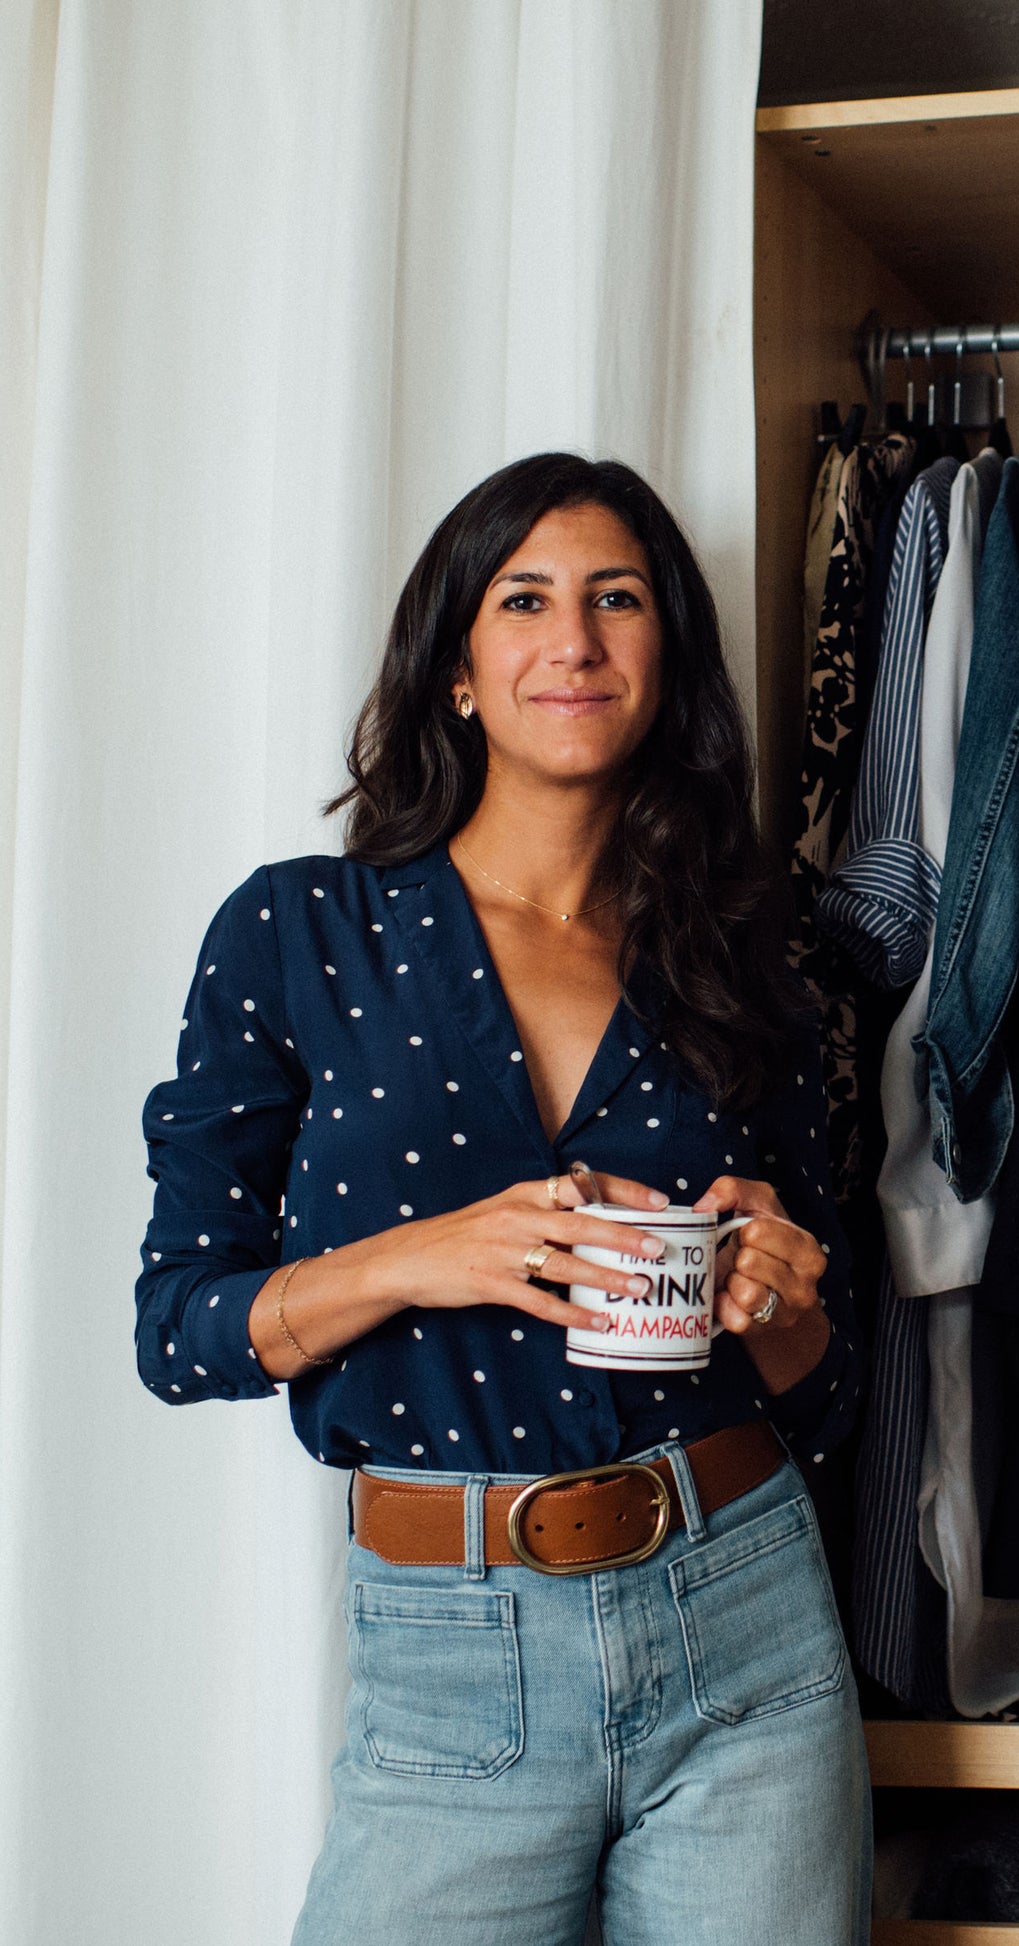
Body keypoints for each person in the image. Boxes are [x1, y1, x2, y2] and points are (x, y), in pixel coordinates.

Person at [134, 453, 869, 1945]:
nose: (575, 639)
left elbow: (829, 1391)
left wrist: (783, 1296)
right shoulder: (299, 933)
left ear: (666, 660)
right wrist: (414, 1259)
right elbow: (180, 1329)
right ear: (458, 668)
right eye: (524, 599)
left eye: (618, 599)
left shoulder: (750, 950)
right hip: (447, 1645)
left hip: (745, 1620)